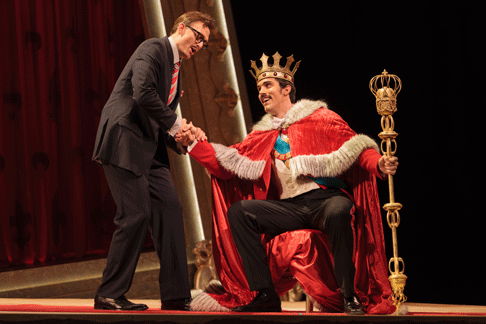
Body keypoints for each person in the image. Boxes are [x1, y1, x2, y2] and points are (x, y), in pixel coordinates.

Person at [179, 52, 398, 315]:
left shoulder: (321, 118)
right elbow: (226, 163)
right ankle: (265, 294)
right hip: (289, 209)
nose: (261, 91)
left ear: (286, 89)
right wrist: (193, 144)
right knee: (240, 213)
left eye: (267, 85)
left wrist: (377, 163)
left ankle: (348, 296)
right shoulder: (261, 134)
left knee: (340, 211)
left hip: (323, 201)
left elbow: (355, 146)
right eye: (259, 87)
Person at [91, 11, 214, 311]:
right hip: (124, 140)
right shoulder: (154, 48)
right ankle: (109, 293)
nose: (200, 44)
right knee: (135, 214)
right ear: (182, 28)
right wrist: (176, 124)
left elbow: (162, 117)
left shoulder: (176, 69)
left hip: (150, 148)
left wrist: (183, 135)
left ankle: (175, 295)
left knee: (171, 209)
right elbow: (143, 93)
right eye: (199, 36)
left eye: (206, 43)